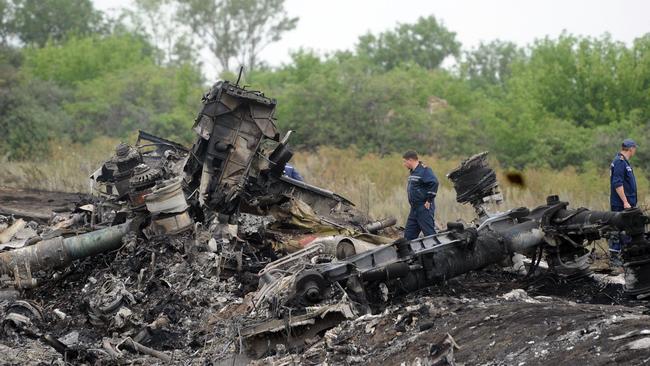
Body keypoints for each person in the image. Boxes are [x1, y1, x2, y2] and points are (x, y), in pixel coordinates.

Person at [609, 138, 638, 257]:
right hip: (620, 204)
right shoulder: (620, 162)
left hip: (626, 204)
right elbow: (618, 184)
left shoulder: (624, 161)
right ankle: (615, 259)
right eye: (635, 148)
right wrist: (625, 202)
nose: (635, 151)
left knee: (626, 231)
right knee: (618, 230)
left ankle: (624, 257)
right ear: (631, 149)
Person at [402, 150, 439, 240]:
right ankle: (409, 254)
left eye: (405, 161)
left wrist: (429, 200)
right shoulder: (413, 172)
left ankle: (437, 253)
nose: (404, 164)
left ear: (410, 160)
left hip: (424, 208)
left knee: (430, 235)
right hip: (414, 209)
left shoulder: (424, 170)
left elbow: (434, 182)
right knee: (408, 236)